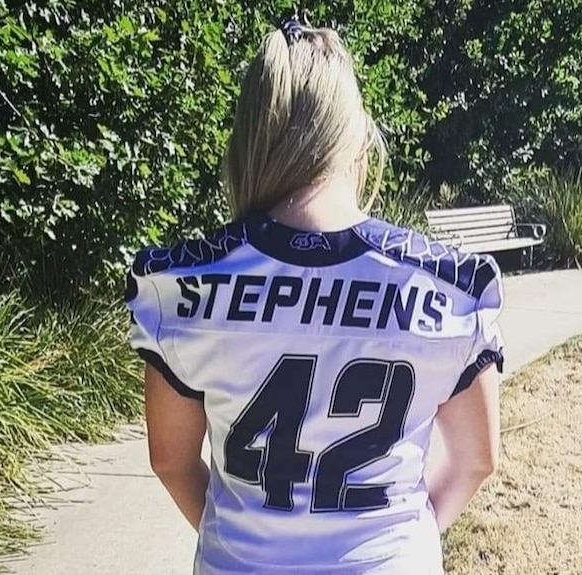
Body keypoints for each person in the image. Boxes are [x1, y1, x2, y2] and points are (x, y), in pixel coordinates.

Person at [125, 15, 503, 575]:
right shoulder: (451, 288)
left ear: (250, 135)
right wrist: (408, 543)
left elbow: (171, 462)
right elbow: (476, 461)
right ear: (356, 138)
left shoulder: (178, 287)